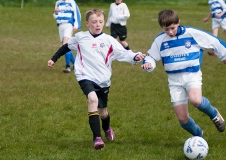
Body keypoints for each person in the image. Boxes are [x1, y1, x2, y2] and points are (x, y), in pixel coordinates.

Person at [48, 8, 145, 150]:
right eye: (94, 22)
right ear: (87, 23)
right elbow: (66, 47)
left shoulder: (109, 40)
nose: (98, 24)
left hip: (103, 80)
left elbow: (124, 53)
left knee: (103, 112)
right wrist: (53, 59)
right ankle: (97, 138)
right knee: (92, 99)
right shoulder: (81, 37)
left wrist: (135, 56)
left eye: (100, 21)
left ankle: (107, 128)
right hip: (84, 76)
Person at [142, 9, 226, 138]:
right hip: (174, 81)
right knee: (182, 119)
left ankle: (214, 114)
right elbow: (151, 57)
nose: (170, 32)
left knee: (195, 100)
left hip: (192, 75)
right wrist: (148, 64)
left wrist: (224, 56)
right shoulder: (160, 40)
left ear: (178, 22)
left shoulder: (192, 34)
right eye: (166, 29)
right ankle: (199, 136)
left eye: (173, 28)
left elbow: (214, 41)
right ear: (162, 27)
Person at [53, 0, 81, 73]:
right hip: (61, 25)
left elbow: (77, 13)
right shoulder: (58, 2)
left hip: (69, 25)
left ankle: (67, 66)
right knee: (65, 47)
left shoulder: (71, 2)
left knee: (65, 45)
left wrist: (76, 25)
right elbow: (55, 15)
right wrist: (56, 13)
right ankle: (75, 64)